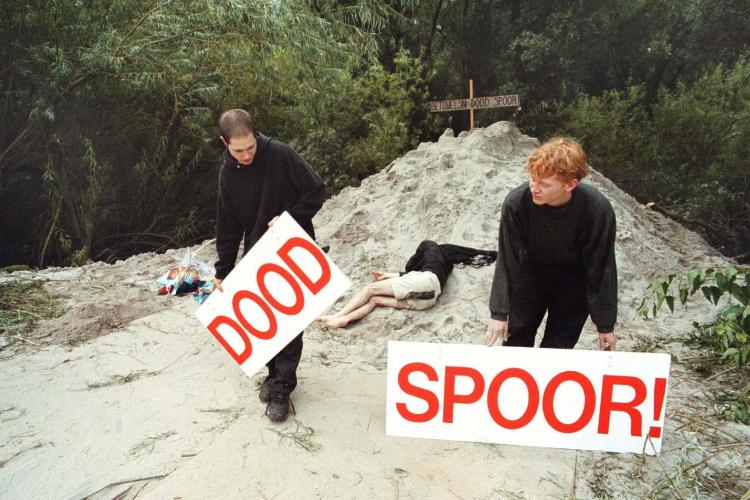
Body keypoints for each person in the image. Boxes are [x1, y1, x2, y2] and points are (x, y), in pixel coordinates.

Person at [213, 109, 325, 422]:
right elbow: (228, 225)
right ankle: (274, 374)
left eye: (250, 147)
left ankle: (282, 389)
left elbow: (316, 190)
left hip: (292, 246)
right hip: (257, 251)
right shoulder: (227, 174)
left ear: (256, 135)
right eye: (239, 150)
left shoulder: (280, 153)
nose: (247, 155)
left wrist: (290, 217)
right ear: (224, 143)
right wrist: (223, 271)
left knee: (290, 321)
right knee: (263, 319)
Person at [486, 137, 618, 351]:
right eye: (532, 179)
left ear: (570, 185)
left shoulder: (597, 210)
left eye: (544, 184)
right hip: (529, 275)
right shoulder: (516, 203)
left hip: (574, 282)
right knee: (515, 342)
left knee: (558, 348)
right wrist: (499, 313)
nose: (534, 188)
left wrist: (605, 325)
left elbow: (602, 268)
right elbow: (508, 259)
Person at [319, 240, 496, 328]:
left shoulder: (431, 251)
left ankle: (337, 315)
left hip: (425, 282)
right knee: (375, 300)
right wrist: (391, 275)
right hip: (429, 299)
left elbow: (413, 272)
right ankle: (345, 320)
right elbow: (413, 277)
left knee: (370, 289)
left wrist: (394, 274)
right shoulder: (442, 265)